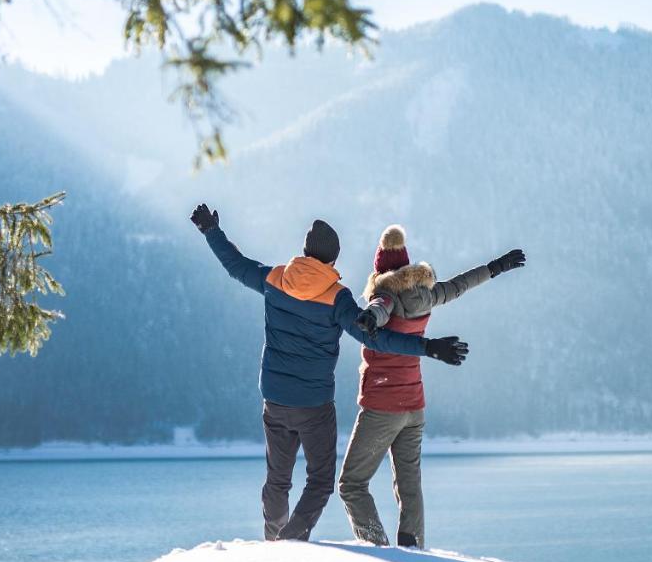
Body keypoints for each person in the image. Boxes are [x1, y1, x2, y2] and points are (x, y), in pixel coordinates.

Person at [190, 204, 470, 541]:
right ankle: (290, 540)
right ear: (333, 261)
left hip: (275, 401)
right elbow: (376, 339)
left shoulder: (275, 279)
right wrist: (428, 347)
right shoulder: (338, 298)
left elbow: (235, 265)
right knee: (321, 481)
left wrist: (211, 231)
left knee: (278, 479)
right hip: (314, 405)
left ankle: (273, 537)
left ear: (305, 252)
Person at [339, 224, 525, 548]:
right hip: (414, 406)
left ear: (380, 268)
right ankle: (414, 548)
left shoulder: (385, 294)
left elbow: (381, 308)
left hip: (383, 403)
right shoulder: (427, 294)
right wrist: (497, 266)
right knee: (409, 487)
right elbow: (459, 285)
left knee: (351, 484)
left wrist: (369, 317)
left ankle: (378, 549)